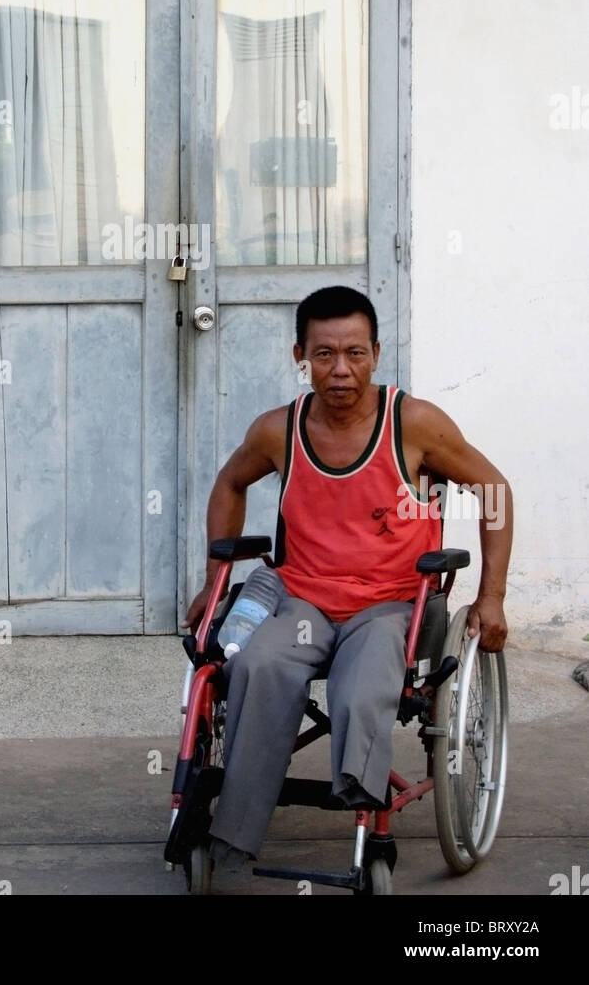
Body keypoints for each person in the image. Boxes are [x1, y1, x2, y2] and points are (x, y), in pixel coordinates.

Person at [182, 285, 512, 869]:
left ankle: (361, 803)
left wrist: (492, 596)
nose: (340, 370)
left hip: (388, 605)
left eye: (355, 353)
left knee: (362, 688)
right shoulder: (276, 431)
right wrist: (215, 579)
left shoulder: (413, 423)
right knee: (253, 665)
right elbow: (230, 484)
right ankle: (230, 832)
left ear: (377, 354)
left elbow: (494, 490)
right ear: (299, 357)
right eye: (325, 354)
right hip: (303, 602)